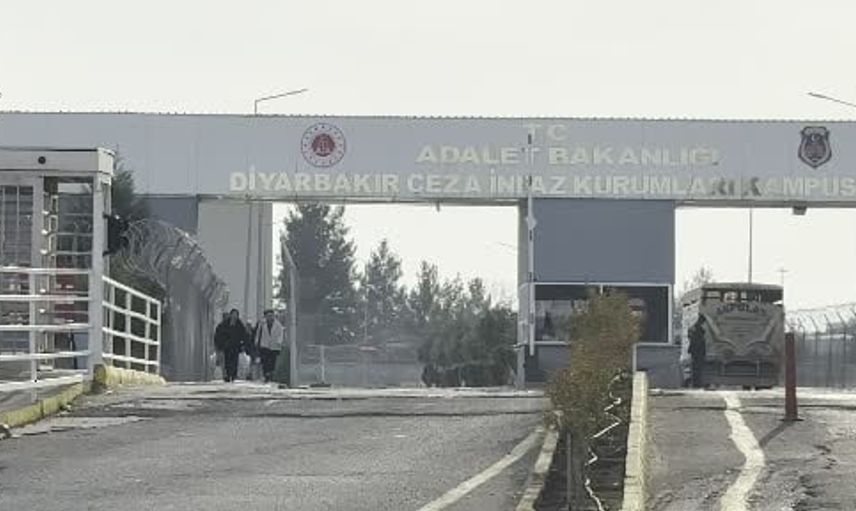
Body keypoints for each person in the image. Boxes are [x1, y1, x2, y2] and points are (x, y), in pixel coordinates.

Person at [254, 309, 285, 383]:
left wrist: (279, 342)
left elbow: (281, 334)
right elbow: (258, 333)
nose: (270, 317)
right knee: (265, 361)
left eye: (271, 316)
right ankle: (266, 375)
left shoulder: (278, 325)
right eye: (268, 316)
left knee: (272, 361)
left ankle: (270, 374)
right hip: (264, 345)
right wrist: (257, 341)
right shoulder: (262, 324)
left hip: (274, 346)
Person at [221, 309, 250, 382]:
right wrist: (222, 343)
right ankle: (228, 374)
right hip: (227, 346)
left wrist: (243, 344)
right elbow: (220, 333)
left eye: (236, 315)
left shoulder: (239, 324)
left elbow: (243, 334)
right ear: (230, 315)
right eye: (233, 314)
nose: (234, 316)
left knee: (235, 360)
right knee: (227, 360)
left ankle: (233, 375)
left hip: (235, 346)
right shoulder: (225, 323)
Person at [688, 315, 707, 388]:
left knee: (696, 367)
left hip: (695, 350)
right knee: (697, 367)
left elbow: (690, 337)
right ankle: (697, 383)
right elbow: (697, 340)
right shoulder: (698, 328)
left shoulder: (693, 327)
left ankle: (696, 383)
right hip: (697, 350)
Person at [213, 312, 230, 379]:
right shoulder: (220, 327)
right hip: (222, 347)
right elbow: (216, 337)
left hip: (226, 347)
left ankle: (226, 374)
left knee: (226, 361)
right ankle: (225, 374)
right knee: (223, 362)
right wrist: (216, 346)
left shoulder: (229, 326)